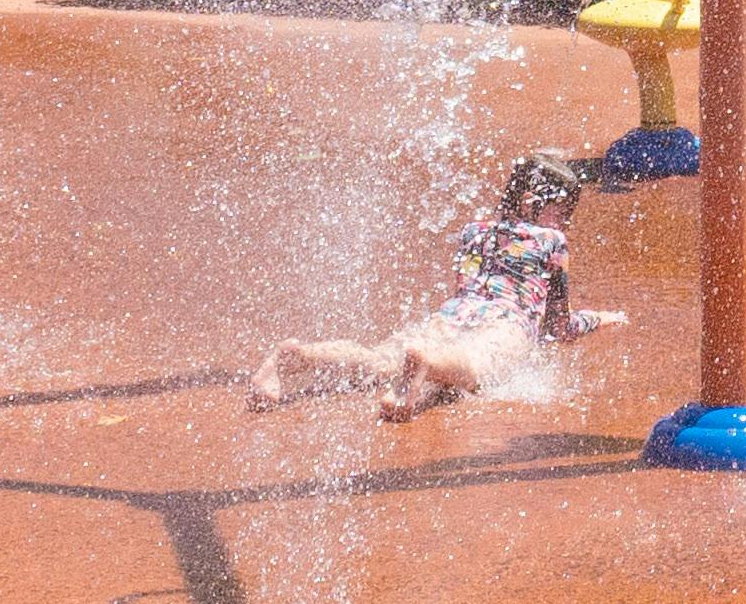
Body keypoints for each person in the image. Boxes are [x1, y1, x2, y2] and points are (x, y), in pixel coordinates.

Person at [250, 154, 619, 419]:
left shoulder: (474, 231)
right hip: (505, 323)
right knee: (476, 369)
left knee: (381, 361)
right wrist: (596, 319)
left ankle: (298, 357)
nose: (565, 222)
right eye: (563, 212)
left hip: (454, 314)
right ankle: (426, 361)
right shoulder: (552, 241)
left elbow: (466, 288)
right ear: (530, 202)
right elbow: (558, 325)